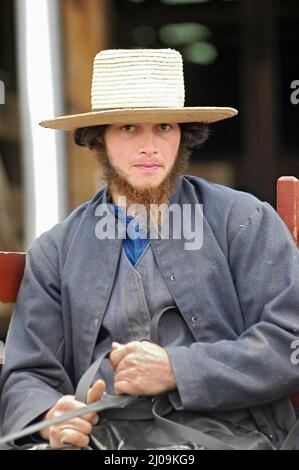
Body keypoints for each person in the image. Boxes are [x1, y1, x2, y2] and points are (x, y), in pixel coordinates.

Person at [1, 48, 299, 450]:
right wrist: (52, 417)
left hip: (230, 434)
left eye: (163, 126)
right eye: (128, 128)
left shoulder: (243, 220)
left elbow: (289, 341)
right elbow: (28, 373)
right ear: (99, 137)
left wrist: (179, 369)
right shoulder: (57, 249)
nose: (149, 146)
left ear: (183, 133)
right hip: (103, 440)